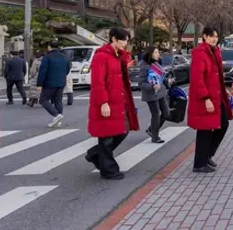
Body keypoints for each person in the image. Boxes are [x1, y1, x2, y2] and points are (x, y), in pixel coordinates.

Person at [84, 28, 139, 180]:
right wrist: (103, 102)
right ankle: (108, 169)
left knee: (122, 130)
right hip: (107, 101)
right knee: (107, 136)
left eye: (127, 40)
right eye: (124, 40)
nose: (126, 43)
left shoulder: (118, 56)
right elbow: (98, 82)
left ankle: (96, 154)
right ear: (114, 39)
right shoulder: (101, 57)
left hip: (119, 100)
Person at [189, 27, 233, 173]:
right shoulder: (200, 53)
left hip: (216, 95)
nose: (214, 39)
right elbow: (197, 79)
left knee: (223, 123)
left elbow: (216, 76)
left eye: (216, 36)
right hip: (205, 97)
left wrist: (223, 89)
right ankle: (199, 164)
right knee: (204, 130)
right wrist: (206, 98)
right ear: (204, 36)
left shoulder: (214, 52)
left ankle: (207, 155)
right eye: (211, 36)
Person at [138, 47, 172, 144]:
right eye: (156, 52)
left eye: (158, 52)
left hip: (160, 92)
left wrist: (168, 80)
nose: (158, 54)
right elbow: (141, 83)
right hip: (151, 94)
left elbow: (160, 77)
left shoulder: (156, 63)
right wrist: (152, 87)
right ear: (150, 54)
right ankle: (155, 136)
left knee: (166, 113)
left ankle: (151, 129)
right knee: (156, 114)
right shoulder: (144, 66)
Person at [36, 40, 72, 128]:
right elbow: (68, 69)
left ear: (49, 47)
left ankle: (56, 115)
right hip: (61, 81)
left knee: (43, 100)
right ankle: (58, 120)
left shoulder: (47, 57)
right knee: (58, 100)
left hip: (49, 82)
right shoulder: (64, 57)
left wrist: (39, 84)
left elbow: (42, 71)